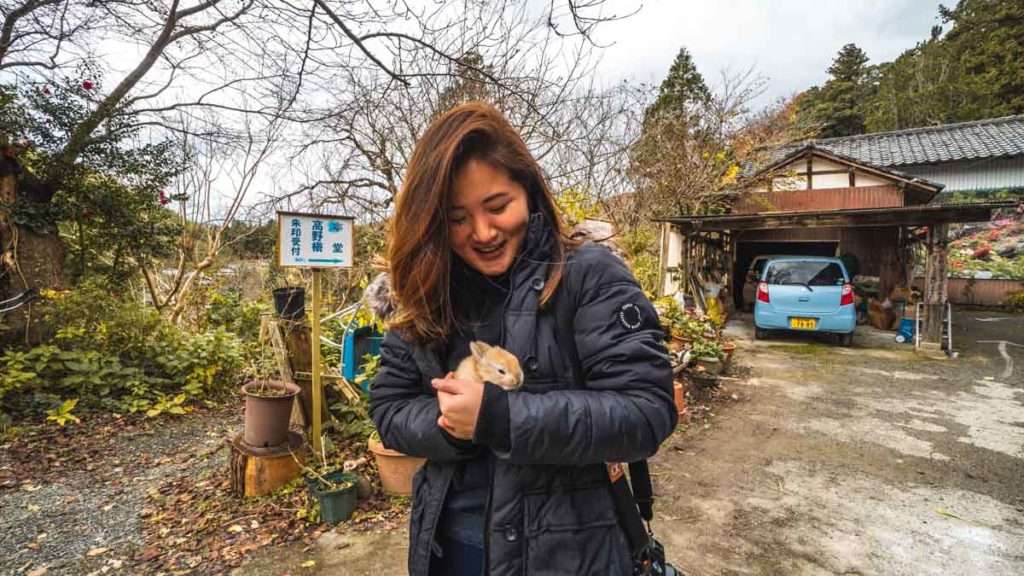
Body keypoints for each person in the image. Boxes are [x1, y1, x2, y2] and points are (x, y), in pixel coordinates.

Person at [368, 101, 676, 576]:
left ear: (528, 190)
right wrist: (451, 424)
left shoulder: (587, 276)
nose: (483, 232)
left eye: (497, 206)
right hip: (448, 550)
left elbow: (646, 412)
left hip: (570, 556)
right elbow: (390, 407)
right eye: (457, 218)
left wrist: (498, 418)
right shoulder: (424, 291)